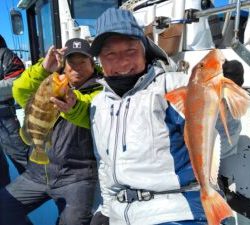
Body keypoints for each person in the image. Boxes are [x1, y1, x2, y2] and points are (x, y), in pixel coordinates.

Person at [0, 38, 102, 225]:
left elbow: (88, 111)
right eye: (71, 62)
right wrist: (44, 68)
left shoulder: (102, 91)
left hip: (77, 178)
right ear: (64, 65)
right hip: (37, 174)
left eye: (83, 61)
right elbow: (20, 91)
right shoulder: (53, 84)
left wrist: (72, 104)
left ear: (92, 63)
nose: (76, 67)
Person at [0, 34, 30, 187]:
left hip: (4, 116)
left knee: (21, 157)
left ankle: (38, 191)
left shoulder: (4, 54)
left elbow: (18, 81)